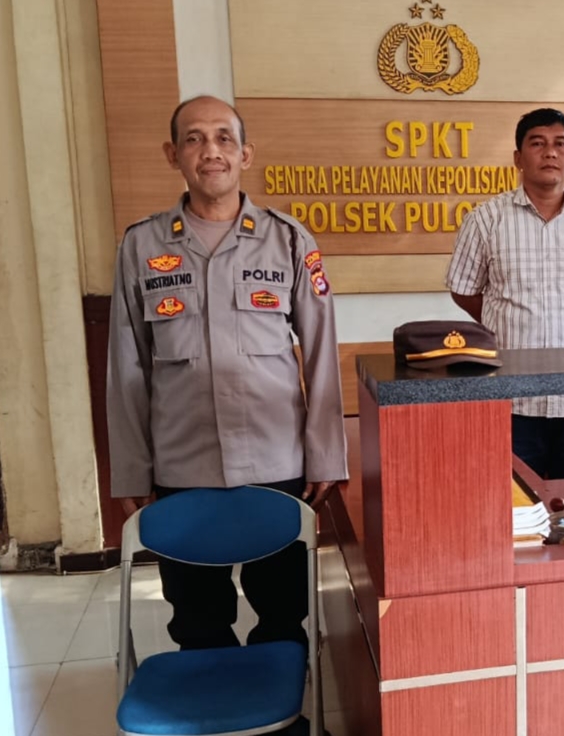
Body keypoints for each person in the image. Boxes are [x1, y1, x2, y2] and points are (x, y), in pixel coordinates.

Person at [107, 96, 348, 667]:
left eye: (223, 138)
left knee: (282, 610)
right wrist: (131, 469)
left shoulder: (289, 240)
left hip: (275, 464)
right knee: (196, 618)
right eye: (193, 138)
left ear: (245, 154)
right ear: (173, 155)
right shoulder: (142, 245)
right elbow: (126, 364)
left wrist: (324, 456)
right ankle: (209, 701)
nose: (209, 150)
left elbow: (320, 353)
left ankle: (282, 706)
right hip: (182, 465)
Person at [447, 107, 564, 479]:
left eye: (561, 144)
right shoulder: (486, 219)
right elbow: (464, 291)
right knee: (512, 503)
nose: (550, 153)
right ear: (518, 158)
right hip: (512, 398)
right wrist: (506, 323)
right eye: (537, 143)